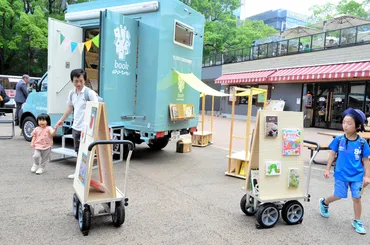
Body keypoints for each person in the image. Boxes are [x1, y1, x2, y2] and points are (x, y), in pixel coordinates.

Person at [319, 108, 370, 234]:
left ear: (358, 126)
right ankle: (324, 202)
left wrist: (367, 176)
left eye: (349, 123)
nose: (345, 125)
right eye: (344, 122)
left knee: (357, 198)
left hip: (357, 175)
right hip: (341, 174)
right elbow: (332, 154)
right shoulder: (339, 139)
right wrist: (327, 169)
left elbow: (366, 160)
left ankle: (357, 221)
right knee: (339, 195)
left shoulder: (362, 143)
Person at [55, 69, 98, 179]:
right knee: (78, 151)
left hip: (87, 128)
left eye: (81, 81)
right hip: (76, 127)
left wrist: (94, 128)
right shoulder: (71, 93)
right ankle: (80, 173)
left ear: (85, 80)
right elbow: (70, 108)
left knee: (86, 151)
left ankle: (85, 174)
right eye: (76, 81)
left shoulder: (90, 93)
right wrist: (62, 120)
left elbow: (97, 111)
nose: (78, 84)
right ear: (72, 81)